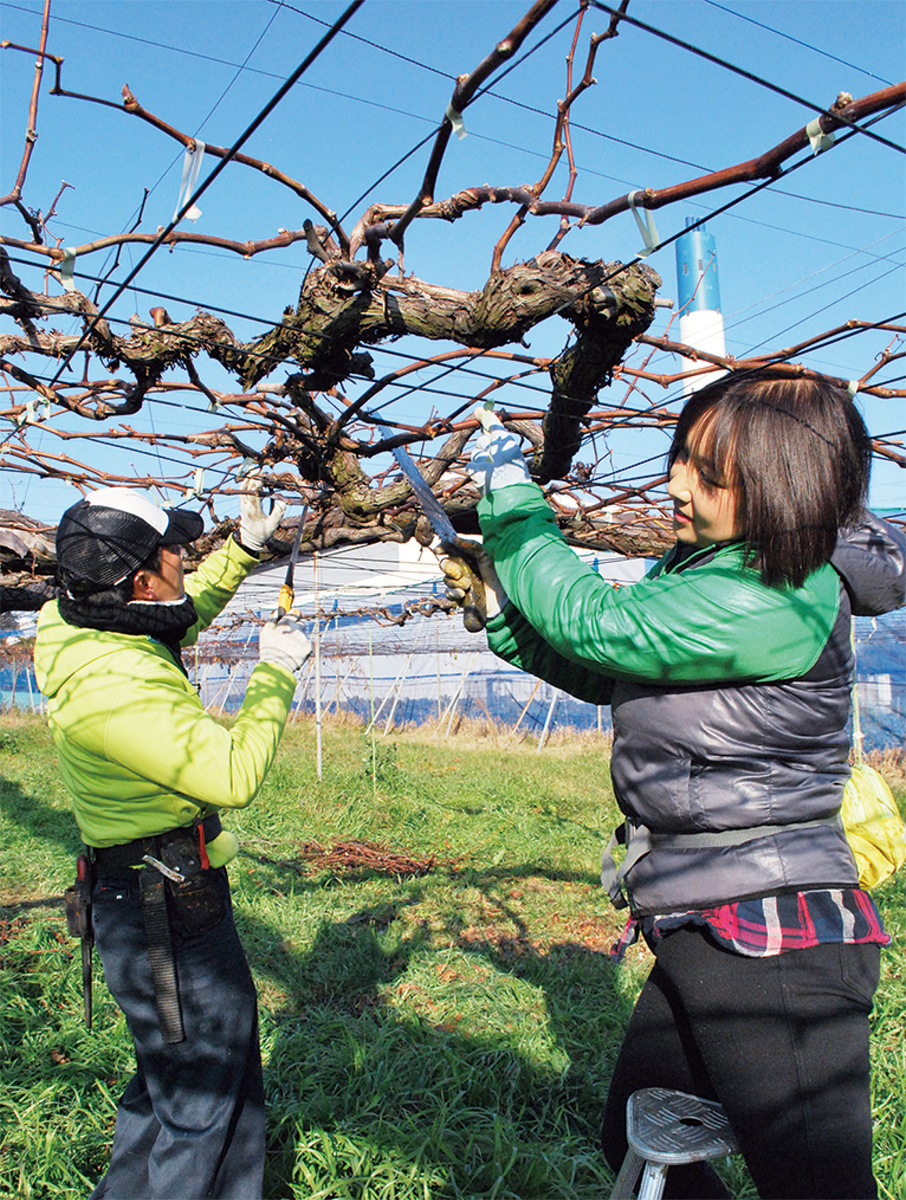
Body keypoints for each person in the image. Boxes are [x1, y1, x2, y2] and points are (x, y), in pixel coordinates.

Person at [446, 369, 906, 1199]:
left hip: (773, 936)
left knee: (816, 1186)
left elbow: (599, 623)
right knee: (640, 1129)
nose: (676, 485)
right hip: (709, 920)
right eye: (681, 459)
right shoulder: (718, 570)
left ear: (782, 486)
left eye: (710, 474)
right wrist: (505, 610)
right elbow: (614, 666)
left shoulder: (779, 591)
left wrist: (513, 507)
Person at [33, 478, 312, 1200]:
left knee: (173, 1075)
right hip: (164, 911)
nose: (186, 558)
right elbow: (231, 773)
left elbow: (174, 616)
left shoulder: (73, 622)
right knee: (207, 1099)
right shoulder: (117, 691)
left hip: (140, 893)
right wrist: (275, 673)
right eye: (174, 551)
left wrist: (243, 551)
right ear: (139, 581)